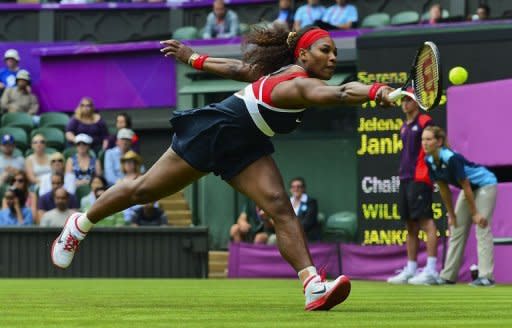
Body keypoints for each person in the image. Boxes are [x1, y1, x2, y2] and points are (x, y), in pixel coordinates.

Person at [51, 24, 395, 311]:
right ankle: (80, 224)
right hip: (214, 132)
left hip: (247, 145)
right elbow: (340, 94)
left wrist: (195, 57)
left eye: (335, 51)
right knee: (144, 190)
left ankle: (312, 286)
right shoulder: (300, 83)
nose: (333, 57)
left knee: (280, 207)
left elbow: (240, 70)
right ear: (303, 55)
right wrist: (379, 92)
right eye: (325, 50)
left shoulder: (287, 73)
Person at [422, 126, 497, 287]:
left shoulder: (451, 158)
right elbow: (443, 188)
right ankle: (448, 276)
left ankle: (486, 276)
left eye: (428, 139)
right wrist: (452, 214)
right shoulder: (428, 160)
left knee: (481, 226)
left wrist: (475, 213)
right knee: (456, 228)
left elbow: (466, 184)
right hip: (468, 189)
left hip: (484, 184)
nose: (425, 143)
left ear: (439, 141)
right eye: (423, 139)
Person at [387, 89, 438, 285]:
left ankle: (432, 270)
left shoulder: (425, 121)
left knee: (426, 222)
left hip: (421, 177)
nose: (404, 104)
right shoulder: (404, 126)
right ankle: (411, 269)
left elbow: (434, 146)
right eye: (403, 101)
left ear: (416, 103)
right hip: (405, 178)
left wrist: (429, 170)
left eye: (408, 100)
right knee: (410, 225)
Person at [289, 177, 320, 241]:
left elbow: (308, 222)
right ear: (290, 189)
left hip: (306, 234)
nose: (296, 189)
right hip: (289, 233)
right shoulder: (287, 203)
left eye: (298, 186)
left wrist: (292, 232)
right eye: (293, 187)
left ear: (303, 189)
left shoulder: (311, 202)